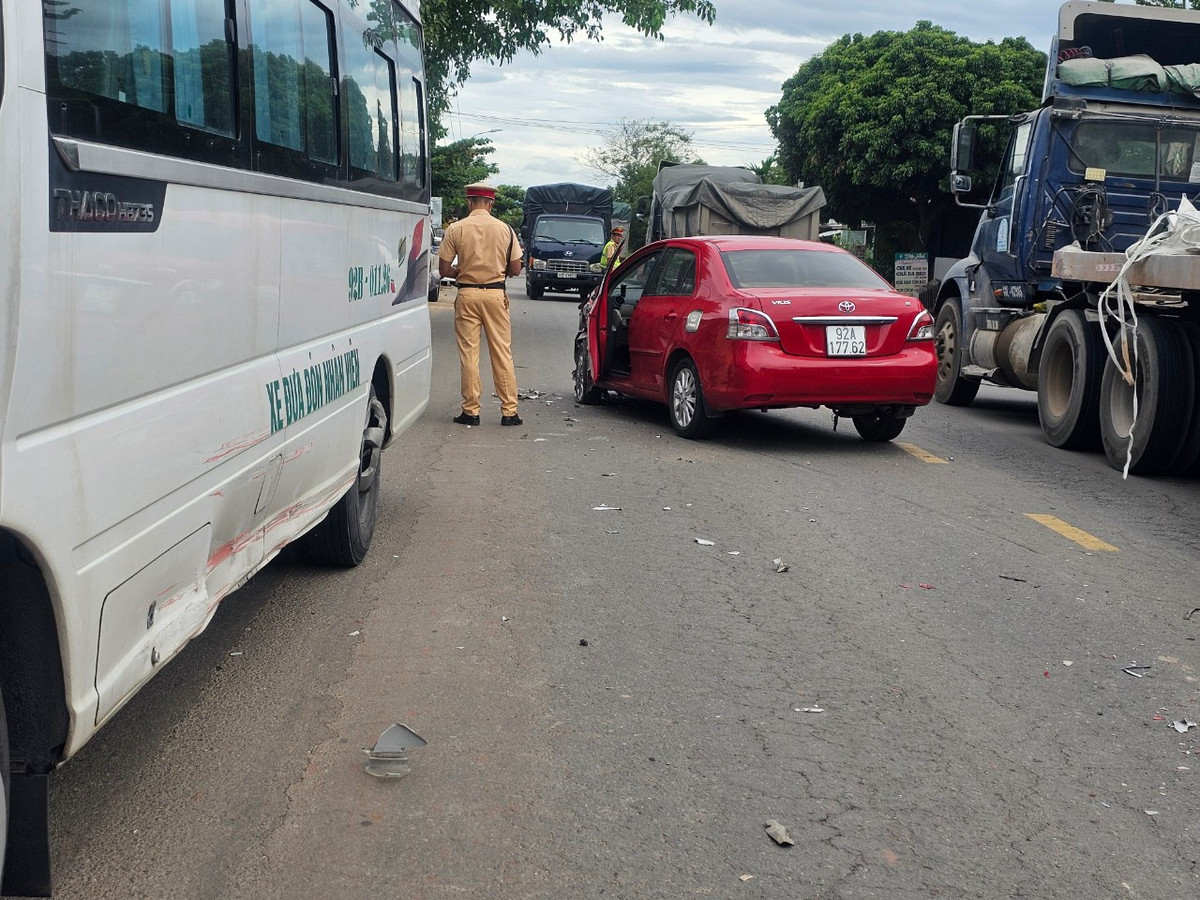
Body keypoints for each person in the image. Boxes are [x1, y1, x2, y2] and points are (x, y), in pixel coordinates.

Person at [438, 183, 524, 426]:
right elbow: (516, 268)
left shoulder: (455, 228)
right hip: (496, 295)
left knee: (469, 354)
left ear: (468, 202)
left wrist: (463, 271)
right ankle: (509, 412)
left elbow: (443, 269)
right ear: (491, 203)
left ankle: (471, 411)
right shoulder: (505, 229)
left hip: (467, 295)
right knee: (502, 352)